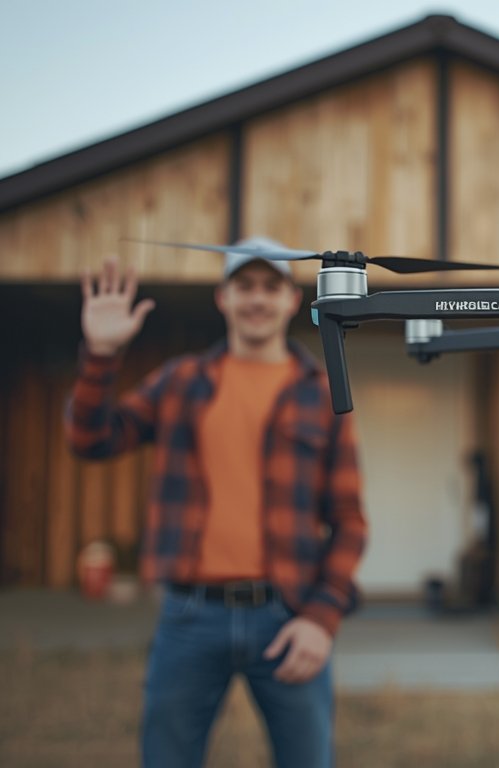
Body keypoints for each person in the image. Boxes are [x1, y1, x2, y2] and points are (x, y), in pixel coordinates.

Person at [66, 239, 367, 768]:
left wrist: (322, 619)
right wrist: (102, 355)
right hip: (188, 617)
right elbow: (91, 440)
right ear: (222, 298)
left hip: (288, 615)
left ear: (292, 301)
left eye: (270, 287)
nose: (256, 299)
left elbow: (349, 521)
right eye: (243, 286)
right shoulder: (179, 382)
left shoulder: (323, 393)